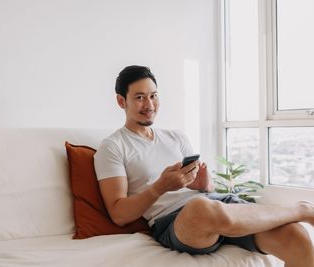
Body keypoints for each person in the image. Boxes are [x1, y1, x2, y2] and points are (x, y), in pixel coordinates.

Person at [94, 65, 314, 266]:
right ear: (122, 101)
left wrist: (203, 184)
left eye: (153, 96)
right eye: (140, 97)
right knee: (201, 208)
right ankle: (301, 210)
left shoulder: (176, 137)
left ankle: (298, 215)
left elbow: (206, 191)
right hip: (175, 221)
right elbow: (118, 214)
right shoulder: (113, 147)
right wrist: (160, 186)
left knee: (297, 237)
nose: (149, 105)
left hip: (216, 205)